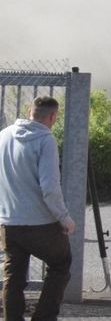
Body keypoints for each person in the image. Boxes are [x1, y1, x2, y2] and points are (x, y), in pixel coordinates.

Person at [0, 95, 76, 321]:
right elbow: (50, 187)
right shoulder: (45, 140)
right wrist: (64, 218)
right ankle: (43, 317)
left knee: (13, 276)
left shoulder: (3, 136)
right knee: (61, 263)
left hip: (8, 222)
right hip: (40, 224)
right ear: (52, 116)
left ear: (29, 110)